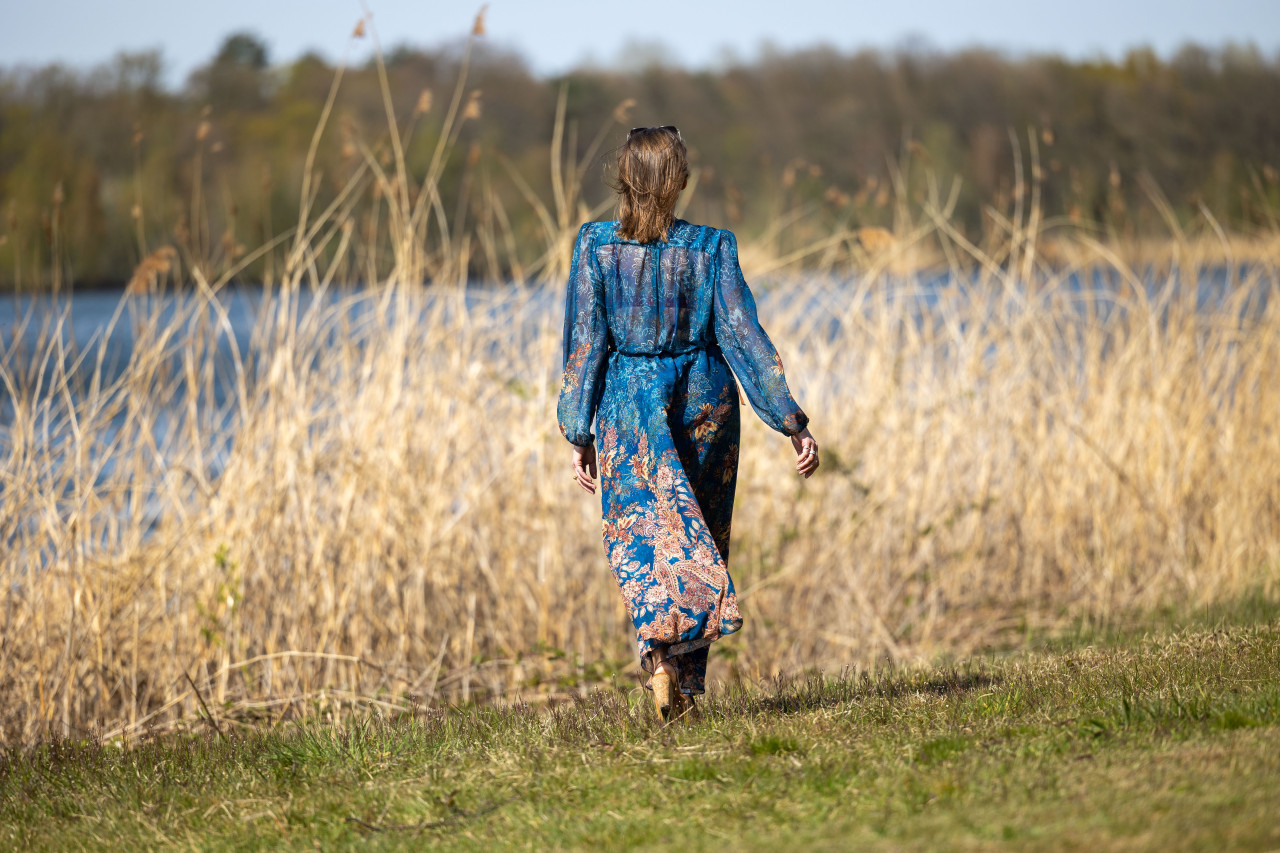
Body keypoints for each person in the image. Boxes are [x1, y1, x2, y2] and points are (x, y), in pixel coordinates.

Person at [556, 125, 819, 721]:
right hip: (707, 402)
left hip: (628, 405)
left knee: (646, 543)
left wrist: (578, 429)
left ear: (624, 178)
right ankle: (687, 688)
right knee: (701, 536)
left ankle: (661, 667)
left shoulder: (595, 245)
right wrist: (791, 421)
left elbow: (586, 342)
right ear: (678, 181)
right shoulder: (712, 246)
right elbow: (742, 335)